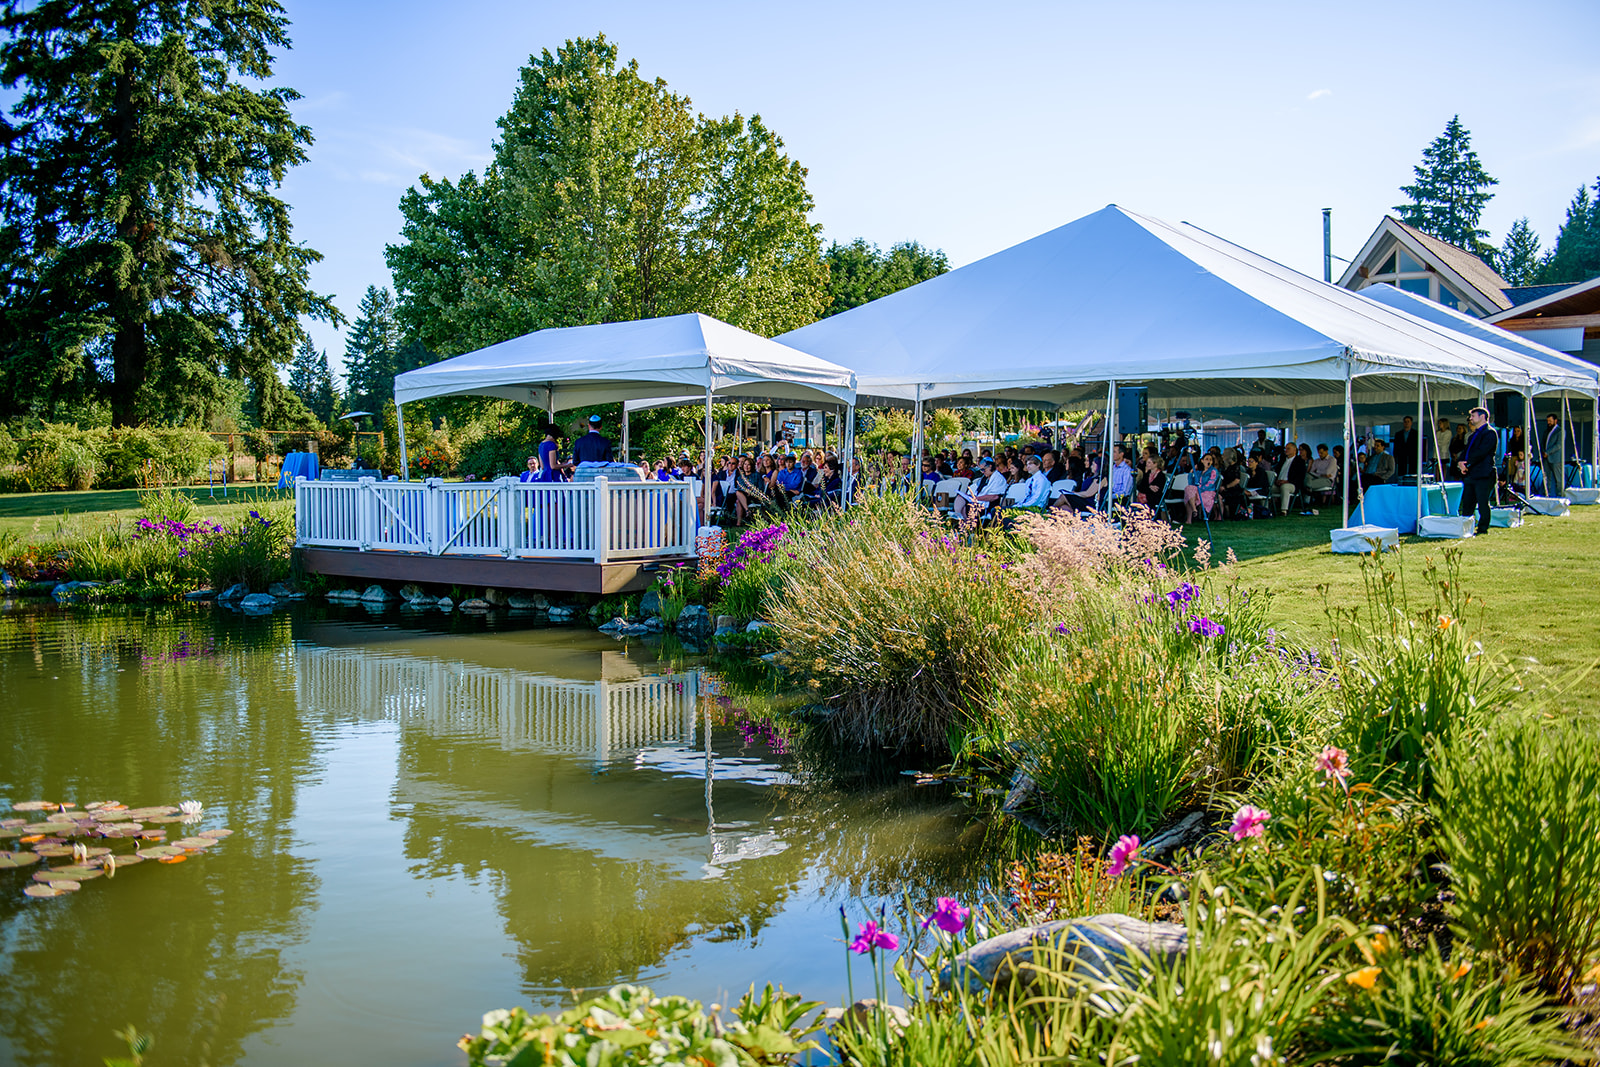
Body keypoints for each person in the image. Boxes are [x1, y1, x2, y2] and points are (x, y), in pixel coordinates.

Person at [1457, 406, 1497, 534]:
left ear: (1482, 417)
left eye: (1473, 416)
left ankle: (1482, 528)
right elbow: (1466, 451)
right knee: (1468, 502)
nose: (1471, 419)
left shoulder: (1490, 433)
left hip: (1484, 474)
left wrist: (1467, 463)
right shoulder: (1473, 435)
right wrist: (1461, 462)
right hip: (1471, 474)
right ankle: (1466, 527)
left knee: (1482, 502)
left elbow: (1482, 452)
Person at [1184, 451, 1221, 523]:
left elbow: (1211, 483)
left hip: (1208, 491)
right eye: (1207, 459)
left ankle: (1190, 517)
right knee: (1189, 489)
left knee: (1189, 495)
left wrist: (1199, 490)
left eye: (1210, 460)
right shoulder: (1199, 472)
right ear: (1202, 461)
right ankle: (1193, 511)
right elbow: (1191, 483)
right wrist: (1192, 471)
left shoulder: (1213, 471)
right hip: (1196, 492)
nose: (1209, 461)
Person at [1542, 413, 1569, 495]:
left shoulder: (1560, 431)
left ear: (1555, 421)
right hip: (1546, 458)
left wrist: (1548, 452)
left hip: (1556, 458)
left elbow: (1559, 445)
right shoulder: (1546, 431)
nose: (1548, 423)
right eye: (1547, 421)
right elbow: (1543, 443)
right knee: (1546, 477)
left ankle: (1561, 494)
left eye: (1550, 421)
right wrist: (1543, 452)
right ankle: (1547, 493)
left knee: (1559, 478)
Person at [1392, 416, 1418, 480]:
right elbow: (1396, 446)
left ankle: (1412, 482)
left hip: (1413, 455)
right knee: (1401, 471)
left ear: (1411, 423)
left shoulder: (1416, 433)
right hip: (1401, 455)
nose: (1406, 423)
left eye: (1408, 422)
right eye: (1405, 422)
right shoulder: (1398, 434)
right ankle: (1401, 482)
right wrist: (1395, 456)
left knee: (1412, 471)